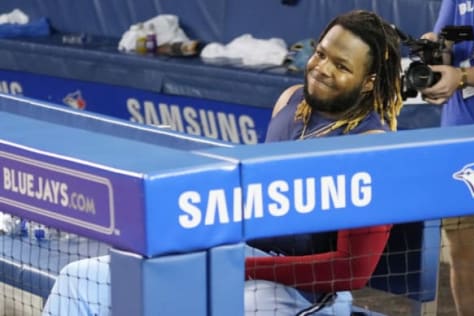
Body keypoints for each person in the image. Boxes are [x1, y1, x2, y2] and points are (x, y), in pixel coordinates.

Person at [42, 10, 403, 316]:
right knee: (79, 280)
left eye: (341, 65)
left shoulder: (370, 146)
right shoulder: (290, 99)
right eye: (321, 54)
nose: (321, 68)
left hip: (305, 292)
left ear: (369, 82)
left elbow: (350, 270)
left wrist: (239, 269)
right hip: (240, 259)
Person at [419, 1, 474, 315]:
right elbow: (446, 42)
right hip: (459, 140)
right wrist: (435, 51)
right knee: (463, 257)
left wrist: (462, 76)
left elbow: (461, 72)